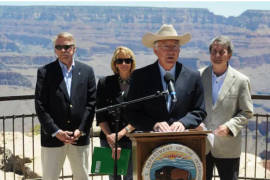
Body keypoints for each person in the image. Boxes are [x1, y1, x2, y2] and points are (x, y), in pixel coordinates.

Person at [35, 32, 96, 180]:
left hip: (79, 137)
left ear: (74, 49)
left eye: (67, 47)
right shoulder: (45, 72)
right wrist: (56, 131)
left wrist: (81, 130)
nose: (63, 50)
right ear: (55, 50)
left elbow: (91, 103)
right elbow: (40, 104)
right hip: (53, 137)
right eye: (59, 47)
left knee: (82, 176)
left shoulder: (87, 71)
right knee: (50, 176)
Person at [126, 24, 206, 132]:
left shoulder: (193, 76)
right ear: (156, 51)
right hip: (150, 141)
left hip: (184, 141)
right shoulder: (140, 77)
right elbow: (132, 113)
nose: (171, 51)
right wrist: (154, 125)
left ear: (179, 51)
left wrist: (183, 123)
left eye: (174, 47)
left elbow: (199, 111)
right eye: (166, 47)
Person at [197, 36, 253, 180]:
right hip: (202, 145)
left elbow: (246, 112)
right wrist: (195, 124)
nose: (217, 56)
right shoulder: (199, 76)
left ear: (229, 55)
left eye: (221, 52)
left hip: (228, 147)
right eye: (214, 51)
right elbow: (191, 106)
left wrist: (229, 127)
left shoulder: (241, 81)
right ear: (209, 54)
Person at [96, 46, 136, 180]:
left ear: (132, 63)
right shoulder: (104, 82)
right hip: (108, 139)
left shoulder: (139, 83)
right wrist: (110, 137)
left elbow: (140, 114)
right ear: (115, 63)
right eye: (120, 61)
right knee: (112, 177)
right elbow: (100, 113)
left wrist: (120, 134)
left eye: (127, 60)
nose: (124, 64)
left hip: (131, 139)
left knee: (131, 177)